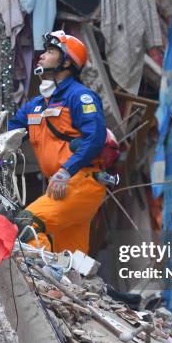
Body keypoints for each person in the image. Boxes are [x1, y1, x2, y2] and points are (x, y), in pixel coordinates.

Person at [8, 30, 107, 254]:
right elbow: (9, 130)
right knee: (71, 261)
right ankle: (74, 287)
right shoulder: (37, 104)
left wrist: (65, 172)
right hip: (62, 187)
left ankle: (46, 276)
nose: (42, 56)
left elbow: (95, 138)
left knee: (25, 225)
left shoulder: (80, 96)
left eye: (51, 51)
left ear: (67, 62)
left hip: (79, 183)